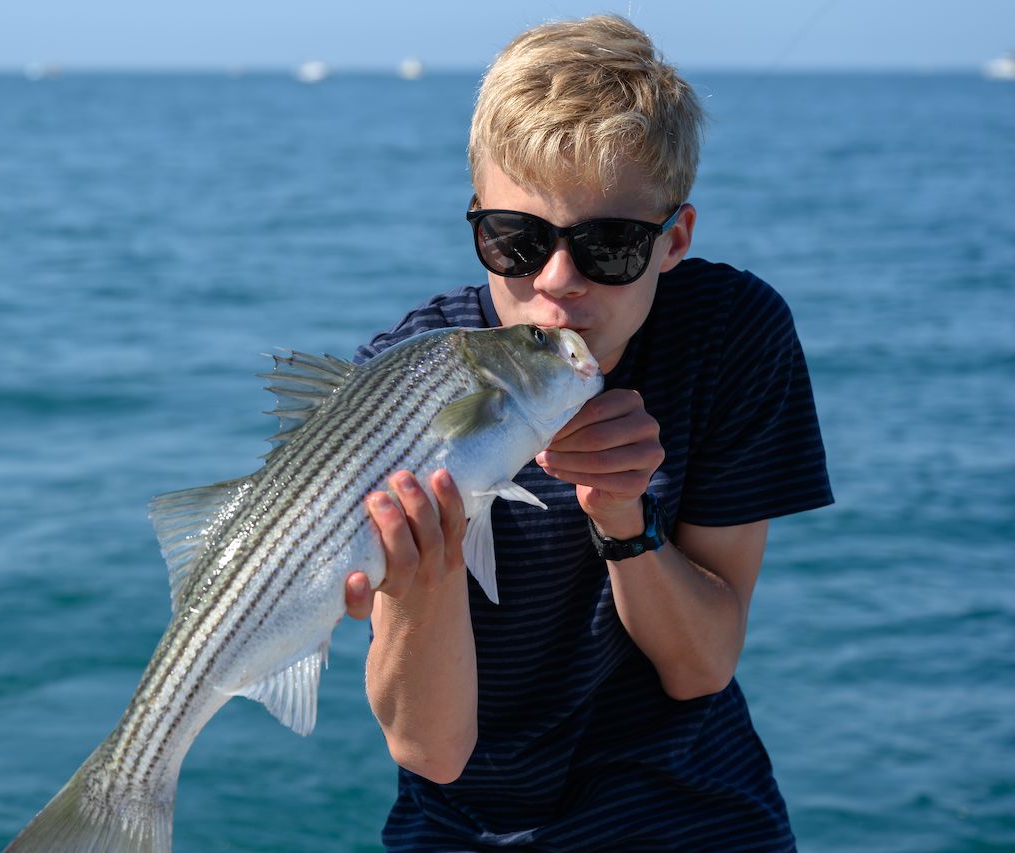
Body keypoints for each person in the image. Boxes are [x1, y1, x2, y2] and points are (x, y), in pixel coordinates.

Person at [340, 14, 834, 852]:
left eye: (609, 244)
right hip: (463, 827)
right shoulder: (401, 384)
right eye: (516, 240)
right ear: (475, 225)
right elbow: (432, 750)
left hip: (690, 814)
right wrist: (422, 586)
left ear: (673, 240)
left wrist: (623, 516)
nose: (555, 284)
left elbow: (701, 665)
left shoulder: (730, 333)